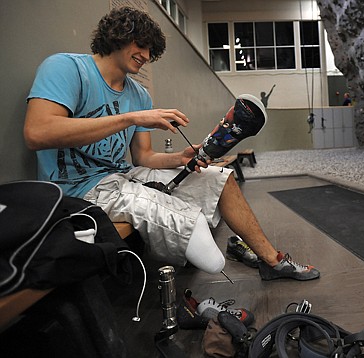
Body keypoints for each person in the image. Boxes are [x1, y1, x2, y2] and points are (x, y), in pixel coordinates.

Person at [23, 6, 319, 282]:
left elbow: (144, 157)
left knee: (221, 179)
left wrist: (181, 157)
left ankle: (272, 260)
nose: (145, 55)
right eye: (140, 43)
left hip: (123, 176)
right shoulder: (65, 68)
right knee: (208, 256)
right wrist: (130, 118)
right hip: (77, 190)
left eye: (151, 49)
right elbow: (37, 133)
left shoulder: (139, 94)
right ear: (117, 35)